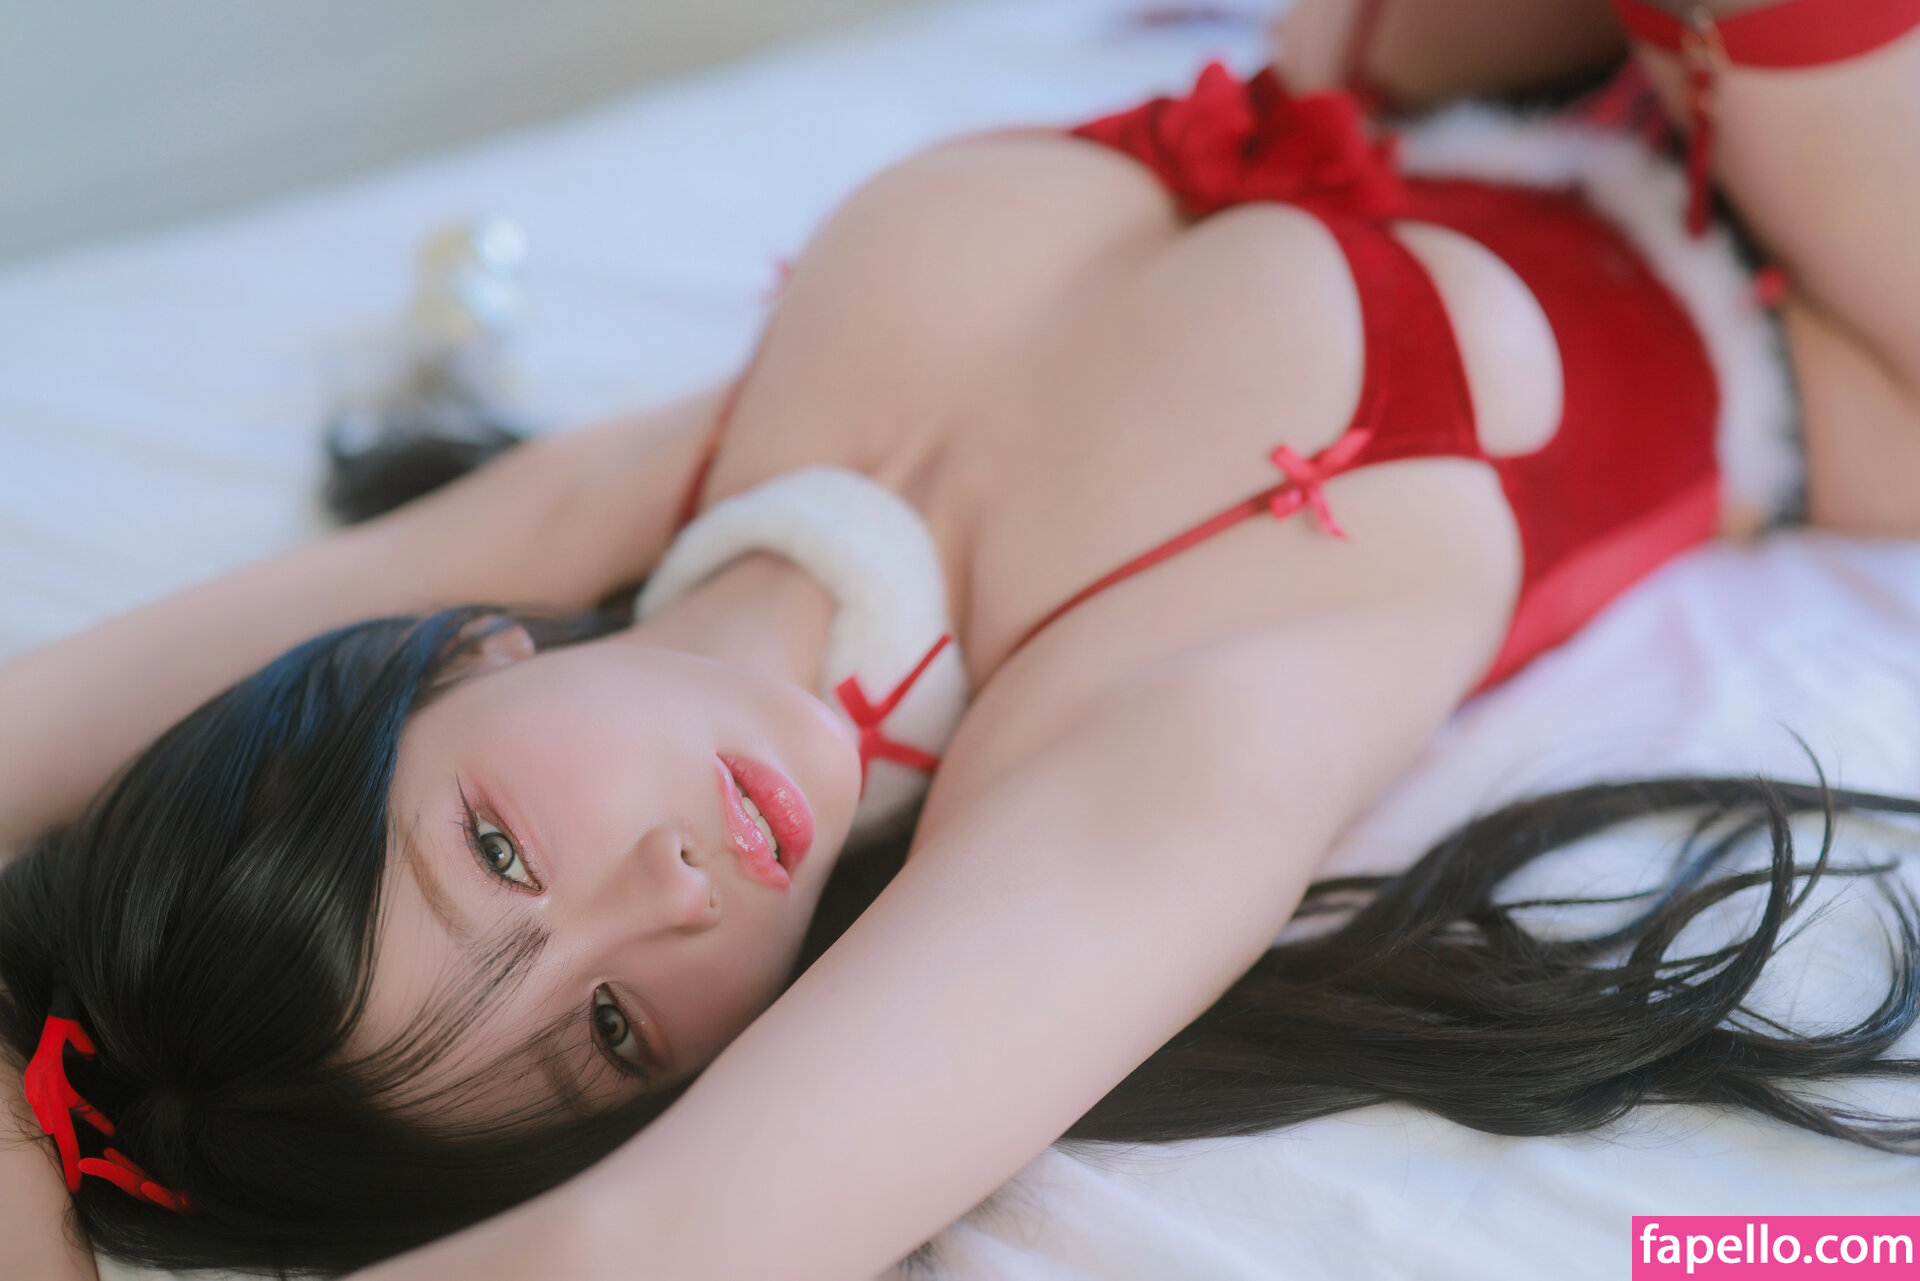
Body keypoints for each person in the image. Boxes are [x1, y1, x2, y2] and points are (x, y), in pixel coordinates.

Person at [5, 0, 1920, 1276]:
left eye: (499, 850)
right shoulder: (1134, 738)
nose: (665, 898)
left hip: (1491, 80)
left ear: (451, 661)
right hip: (1839, 315)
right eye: (610, 1031)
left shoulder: (677, 485)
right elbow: (647, 1245)